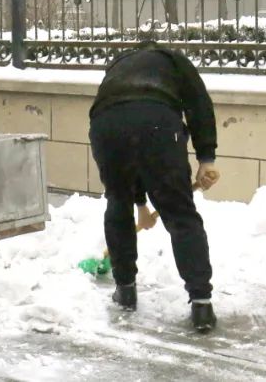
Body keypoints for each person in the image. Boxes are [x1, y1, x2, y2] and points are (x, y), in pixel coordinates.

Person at [88, 38, 220, 332]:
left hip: (105, 126)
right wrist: (206, 157)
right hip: (156, 122)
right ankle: (201, 304)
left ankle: (125, 290)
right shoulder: (173, 60)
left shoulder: (119, 64)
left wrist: (138, 204)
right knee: (180, 214)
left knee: (117, 202)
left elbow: (127, 127)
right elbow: (199, 104)